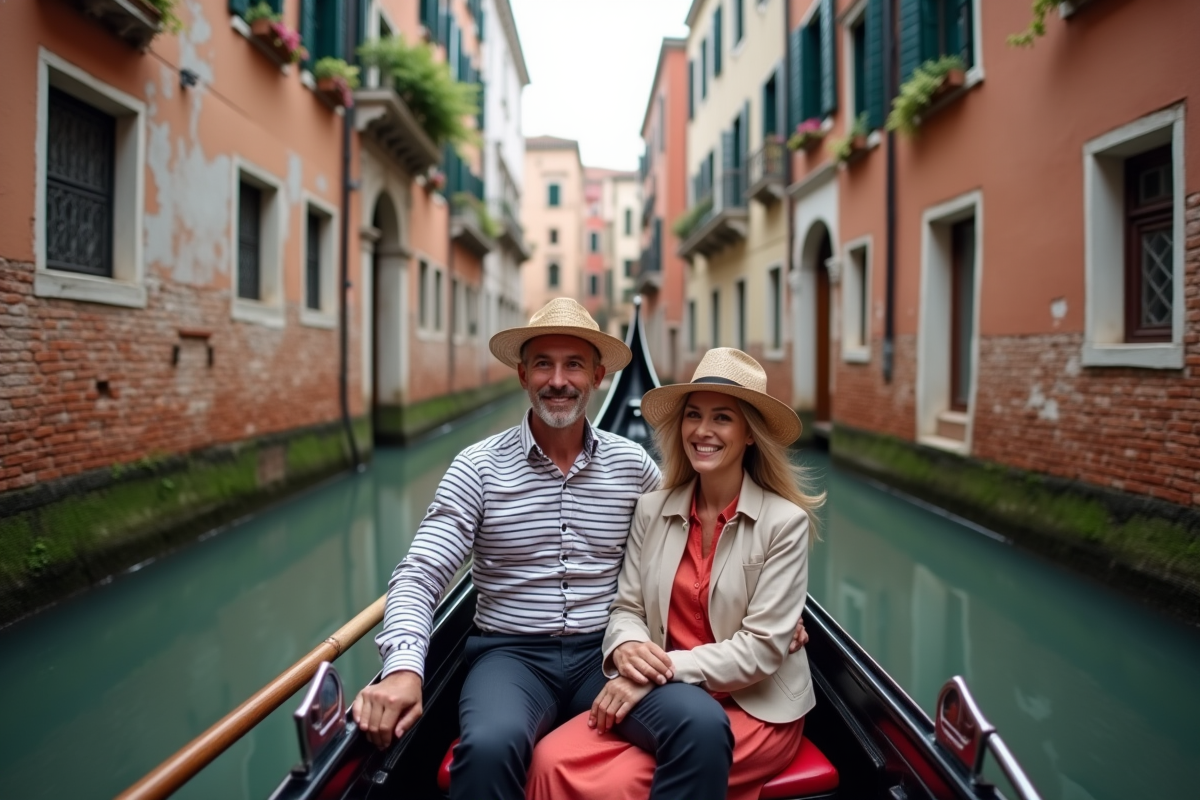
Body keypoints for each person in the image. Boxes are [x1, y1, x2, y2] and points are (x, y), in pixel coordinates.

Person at [351, 300, 807, 800]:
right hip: (511, 657)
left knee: (700, 724)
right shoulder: (476, 469)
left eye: (574, 365)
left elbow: (698, 529)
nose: (558, 380)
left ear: (598, 375)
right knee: (488, 748)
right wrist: (401, 669)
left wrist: (783, 616)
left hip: (604, 655)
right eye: (543, 363)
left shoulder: (634, 468)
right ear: (523, 375)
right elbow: (420, 573)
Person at [526, 347, 824, 800]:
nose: (703, 431)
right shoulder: (652, 508)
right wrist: (627, 645)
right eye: (694, 416)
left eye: (722, 418)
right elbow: (627, 606)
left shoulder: (784, 523)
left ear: (749, 434)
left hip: (754, 706)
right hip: (669, 697)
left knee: (620, 783)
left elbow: (762, 650)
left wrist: (656, 671)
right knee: (548, 759)